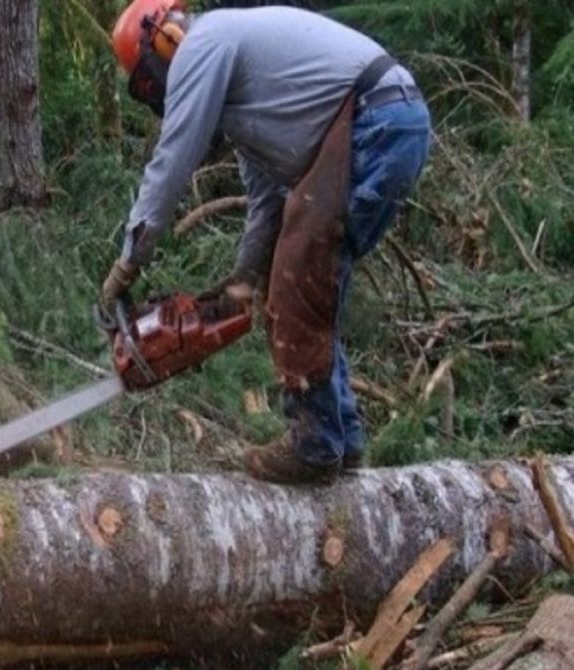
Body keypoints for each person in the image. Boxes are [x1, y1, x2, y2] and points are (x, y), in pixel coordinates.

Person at [101, 0, 431, 484]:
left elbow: (172, 160)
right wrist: (243, 279)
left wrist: (128, 262)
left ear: (164, 42)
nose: (158, 92)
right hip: (389, 121)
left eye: (151, 79)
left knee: (300, 279)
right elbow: (268, 200)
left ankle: (316, 443)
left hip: (371, 122)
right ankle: (344, 439)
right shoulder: (250, 102)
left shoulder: (202, 46)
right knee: (313, 277)